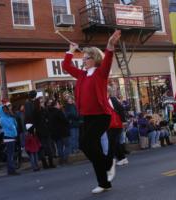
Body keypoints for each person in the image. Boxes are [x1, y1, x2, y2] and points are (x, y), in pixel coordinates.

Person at [61, 30, 121, 194]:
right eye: (83, 58)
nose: (84, 61)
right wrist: (70, 51)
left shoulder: (101, 73)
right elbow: (66, 66)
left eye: (86, 58)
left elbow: (108, 58)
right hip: (87, 117)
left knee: (86, 143)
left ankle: (108, 164)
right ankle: (104, 182)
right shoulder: (82, 75)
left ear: (94, 59)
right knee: (90, 147)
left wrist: (110, 44)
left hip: (101, 116)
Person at [0, 104, 19, 175]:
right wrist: (12, 122)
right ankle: (11, 170)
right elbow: (10, 126)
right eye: (4, 109)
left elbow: (15, 125)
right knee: (10, 155)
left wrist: (12, 117)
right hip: (8, 137)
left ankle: (11, 169)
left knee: (12, 154)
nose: (6, 110)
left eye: (6, 109)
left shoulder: (10, 117)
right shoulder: (2, 118)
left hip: (13, 136)